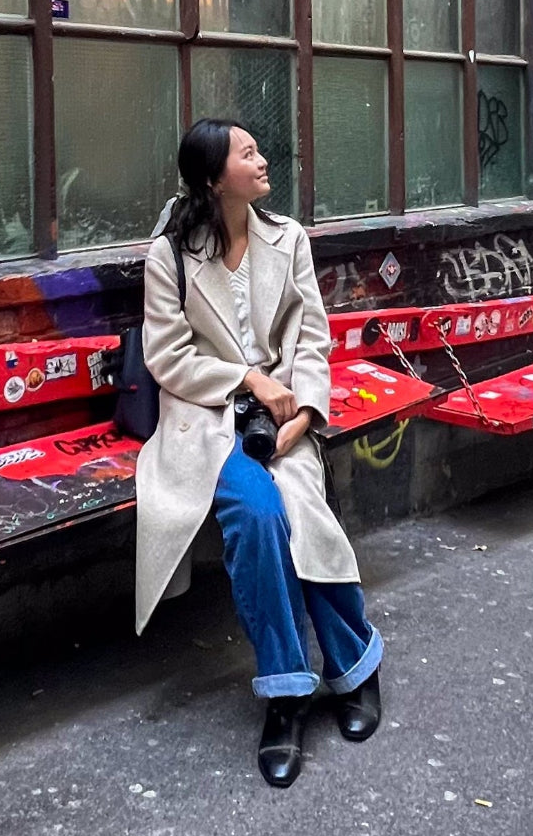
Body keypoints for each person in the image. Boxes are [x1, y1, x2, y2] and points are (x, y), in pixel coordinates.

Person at [134, 118, 383, 788]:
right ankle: (286, 692)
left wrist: (305, 411)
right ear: (215, 177)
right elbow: (168, 358)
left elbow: (312, 341)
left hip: (285, 417)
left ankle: (355, 664)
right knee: (256, 513)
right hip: (206, 422)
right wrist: (245, 378)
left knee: (300, 513)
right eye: (248, 154)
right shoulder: (172, 256)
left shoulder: (288, 239)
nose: (263, 159)